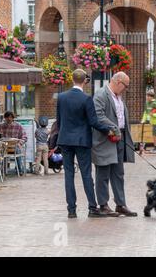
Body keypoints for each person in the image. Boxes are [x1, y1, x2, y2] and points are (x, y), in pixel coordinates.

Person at [57, 69, 114, 219]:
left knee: (68, 175)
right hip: (82, 141)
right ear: (84, 81)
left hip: (65, 140)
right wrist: (108, 129)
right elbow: (93, 121)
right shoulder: (86, 98)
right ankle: (92, 207)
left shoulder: (61, 97)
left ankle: (71, 210)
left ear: (72, 79)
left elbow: (59, 120)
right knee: (86, 175)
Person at [92, 72, 137, 217]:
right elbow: (98, 116)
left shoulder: (119, 97)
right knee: (103, 173)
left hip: (119, 139)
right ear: (118, 81)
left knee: (119, 173)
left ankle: (120, 204)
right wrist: (115, 128)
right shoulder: (100, 95)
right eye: (125, 85)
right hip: (105, 139)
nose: (126, 89)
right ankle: (103, 205)